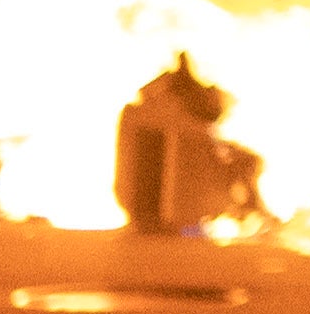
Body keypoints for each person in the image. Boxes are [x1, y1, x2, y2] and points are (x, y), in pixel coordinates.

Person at [112, 53, 263, 234]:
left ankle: (254, 217)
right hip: (172, 218)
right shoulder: (182, 121)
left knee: (244, 161)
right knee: (246, 162)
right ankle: (256, 219)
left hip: (151, 216)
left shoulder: (141, 114)